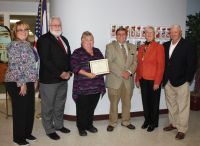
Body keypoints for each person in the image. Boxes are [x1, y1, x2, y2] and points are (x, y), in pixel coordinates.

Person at [5, 21, 39, 146]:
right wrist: (22, 83)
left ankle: (27, 133)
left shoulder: (28, 45)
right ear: (15, 32)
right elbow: (15, 65)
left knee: (29, 110)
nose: (24, 32)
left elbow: (32, 65)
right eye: (20, 30)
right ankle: (18, 138)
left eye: (25, 29)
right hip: (16, 81)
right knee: (20, 111)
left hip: (29, 81)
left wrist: (35, 80)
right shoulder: (14, 45)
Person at [37, 16, 71, 140]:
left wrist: (69, 72)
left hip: (63, 79)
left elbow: (69, 58)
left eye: (59, 25)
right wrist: (60, 73)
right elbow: (46, 61)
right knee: (48, 106)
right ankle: (49, 129)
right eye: (54, 25)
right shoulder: (43, 39)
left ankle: (59, 125)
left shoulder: (64, 39)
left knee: (59, 104)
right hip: (49, 80)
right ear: (50, 26)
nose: (57, 27)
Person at [162, 24, 196, 140]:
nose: (173, 34)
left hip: (182, 81)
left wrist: (187, 79)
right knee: (171, 104)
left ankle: (182, 129)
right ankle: (173, 123)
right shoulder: (165, 45)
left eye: (175, 32)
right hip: (168, 81)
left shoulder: (188, 45)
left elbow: (192, 65)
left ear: (180, 32)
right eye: (171, 32)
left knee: (183, 106)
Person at [71, 31, 106, 136]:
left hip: (96, 86)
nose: (89, 42)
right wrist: (87, 74)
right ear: (82, 41)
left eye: (91, 40)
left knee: (91, 108)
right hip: (82, 87)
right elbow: (74, 67)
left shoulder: (97, 51)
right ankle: (81, 127)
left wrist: (104, 69)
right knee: (82, 108)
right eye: (86, 40)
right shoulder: (77, 52)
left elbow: (103, 64)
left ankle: (89, 125)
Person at [105, 27, 137, 132]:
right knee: (113, 103)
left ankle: (126, 121)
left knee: (127, 102)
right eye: (119, 34)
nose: (121, 36)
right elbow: (109, 62)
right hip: (115, 80)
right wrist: (122, 73)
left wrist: (129, 72)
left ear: (126, 35)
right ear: (116, 35)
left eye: (123, 34)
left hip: (128, 80)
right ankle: (112, 123)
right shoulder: (110, 47)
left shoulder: (132, 47)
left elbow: (135, 63)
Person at [135, 26, 165, 132]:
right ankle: (147, 120)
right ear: (144, 34)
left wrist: (157, 82)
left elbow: (161, 66)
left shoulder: (159, 47)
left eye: (151, 32)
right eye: (146, 32)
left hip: (153, 80)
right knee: (145, 101)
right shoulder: (141, 47)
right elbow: (139, 64)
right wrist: (137, 78)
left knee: (154, 102)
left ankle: (153, 123)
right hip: (143, 79)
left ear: (154, 34)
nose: (148, 34)